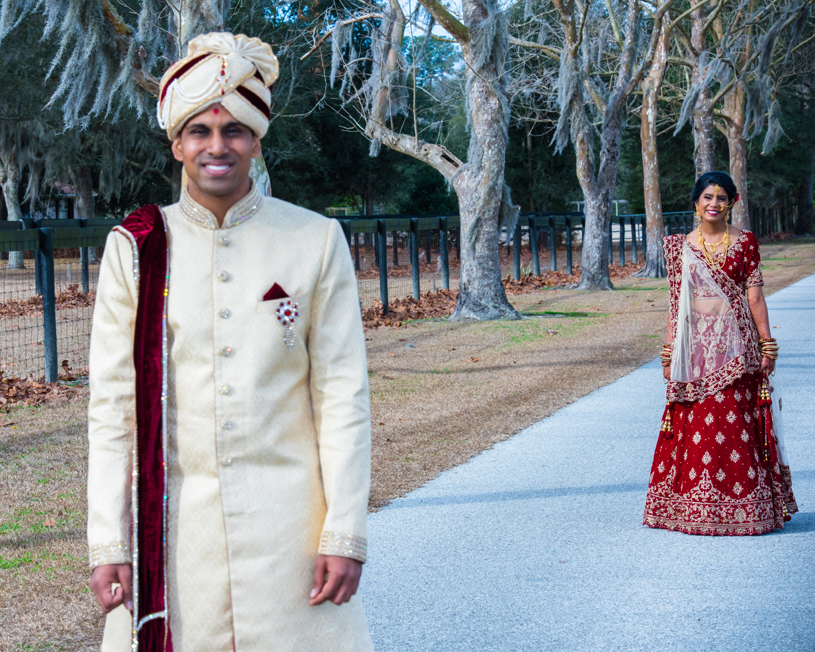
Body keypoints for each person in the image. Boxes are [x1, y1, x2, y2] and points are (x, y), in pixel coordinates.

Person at [86, 33, 373, 651]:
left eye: (234, 130)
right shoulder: (135, 249)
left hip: (291, 533)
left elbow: (343, 396)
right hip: (174, 540)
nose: (218, 146)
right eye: (200, 131)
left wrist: (343, 533)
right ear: (176, 143)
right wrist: (109, 542)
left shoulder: (314, 241)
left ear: (256, 138)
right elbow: (112, 409)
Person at [643, 171, 798, 536]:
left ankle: (745, 508)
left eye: (722, 197)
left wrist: (767, 345)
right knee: (697, 423)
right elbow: (676, 306)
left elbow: (755, 296)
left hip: (737, 347)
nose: (714, 203)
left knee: (733, 423)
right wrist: (669, 354)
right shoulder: (679, 247)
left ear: (732, 203)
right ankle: (691, 507)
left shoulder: (745, 242)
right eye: (708, 197)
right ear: (696, 202)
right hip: (696, 348)